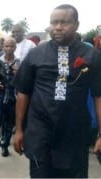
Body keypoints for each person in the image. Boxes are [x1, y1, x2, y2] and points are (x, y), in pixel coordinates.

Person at [13, 4, 101, 178]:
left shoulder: (92, 56)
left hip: (74, 134)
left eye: (64, 22)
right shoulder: (36, 54)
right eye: (54, 22)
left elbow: (99, 96)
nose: (58, 27)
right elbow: (23, 93)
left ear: (76, 24)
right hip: (40, 132)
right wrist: (19, 130)